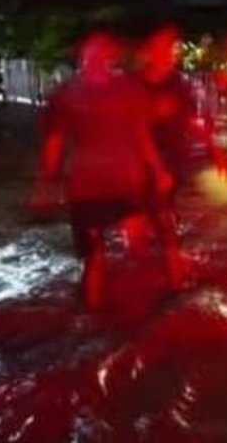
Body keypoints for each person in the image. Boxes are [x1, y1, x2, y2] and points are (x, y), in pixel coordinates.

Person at [29, 31, 179, 311]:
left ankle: (133, 304)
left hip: (118, 183)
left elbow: (141, 134)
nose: (97, 58)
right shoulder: (69, 95)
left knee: (128, 247)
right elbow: (55, 142)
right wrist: (45, 184)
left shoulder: (122, 90)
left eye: (102, 52)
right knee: (101, 255)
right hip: (94, 186)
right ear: (83, 58)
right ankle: (105, 310)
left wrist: (158, 171)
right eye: (92, 52)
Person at [125, 25, 227, 248]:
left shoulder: (178, 85)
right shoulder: (133, 86)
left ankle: (170, 266)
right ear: (149, 51)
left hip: (171, 162)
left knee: (165, 219)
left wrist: (216, 149)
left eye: (172, 48)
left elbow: (190, 122)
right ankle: (142, 262)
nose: (171, 54)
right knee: (138, 222)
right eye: (164, 48)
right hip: (138, 165)